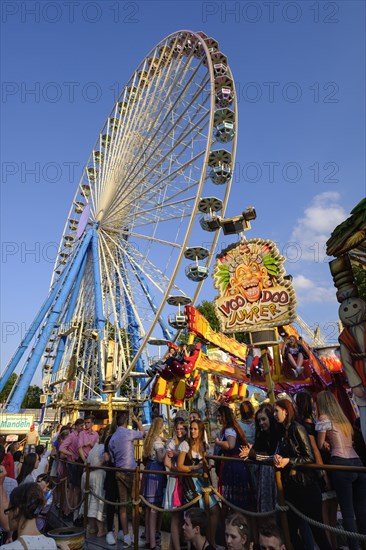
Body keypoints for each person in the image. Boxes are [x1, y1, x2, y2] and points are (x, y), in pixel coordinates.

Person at [316, 390, 366, 550]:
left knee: (348, 511)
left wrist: (325, 444)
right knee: (361, 509)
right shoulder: (344, 419)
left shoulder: (323, 418)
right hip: (357, 463)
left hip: (340, 463)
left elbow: (319, 443)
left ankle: (354, 547)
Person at [295, 390, 338, 549]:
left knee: (326, 515)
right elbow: (317, 448)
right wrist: (324, 472)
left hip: (321, 469)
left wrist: (322, 472)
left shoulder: (305, 425)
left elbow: (316, 448)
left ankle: (331, 545)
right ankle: (332, 545)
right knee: (329, 514)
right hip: (325, 466)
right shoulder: (311, 424)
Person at [177, 420, 219, 545]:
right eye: (191, 429)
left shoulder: (204, 445)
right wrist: (195, 467)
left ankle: (210, 541)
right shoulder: (185, 445)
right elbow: (180, 466)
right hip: (192, 484)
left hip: (204, 483)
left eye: (195, 429)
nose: (193, 431)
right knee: (197, 517)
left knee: (215, 511)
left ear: (200, 431)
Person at [109, 411, 145, 547]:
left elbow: (112, 457)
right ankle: (135, 535)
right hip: (130, 471)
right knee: (135, 504)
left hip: (119, 472)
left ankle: (126, 536)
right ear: (126, 422)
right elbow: (143, 433)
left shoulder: (112, 438)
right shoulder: (128, 433)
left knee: (123, 506)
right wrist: (137, 421)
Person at [215, 405, 253, 510]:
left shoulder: (229, 429)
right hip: (237, 464)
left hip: (233, 465)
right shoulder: (234, 428)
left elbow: (230, 445)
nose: (218, 418)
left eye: (219, 416)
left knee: (233, 501)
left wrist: (218, 442)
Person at [0, 482, 58, 549]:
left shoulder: (6, 548)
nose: (8, 514)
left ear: (16, 510)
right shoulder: (52, 543)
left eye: (9, 510)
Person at [141, 417, 166, 550]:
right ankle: (152, 542)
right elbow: (161, 458)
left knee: (148, 508)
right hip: (156, 471)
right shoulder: (157, 441)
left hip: (148, 469)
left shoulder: (148, 439)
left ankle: (148, 539)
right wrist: (167, 450)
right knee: (154, 508)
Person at [163, 419, 187, 550]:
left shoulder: (186, 443)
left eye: (181, 428)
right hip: (175, 479)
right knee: (176, 515)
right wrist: (177, 469)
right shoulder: (172, 443)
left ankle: (174, 544)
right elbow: (166, 462)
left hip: (184, 481)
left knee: (182, 514)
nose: (179, 431)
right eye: (177, 428)